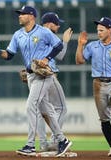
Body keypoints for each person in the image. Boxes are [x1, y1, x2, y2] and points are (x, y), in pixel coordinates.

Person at [0, 6, 72, 157]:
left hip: (44, 75)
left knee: (31, 106)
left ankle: (30, 145)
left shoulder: (43, 31)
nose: (19, 16)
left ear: (31, 16)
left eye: (22, 14)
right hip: (31, 76)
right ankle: (62, 140)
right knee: (47, 110)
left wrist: (46, 59)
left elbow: (58, 46)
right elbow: (9, 55)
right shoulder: (18, 35)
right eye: (19, 14)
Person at [16, 12, 73, 156]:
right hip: (47, 75)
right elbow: (60, 55)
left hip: (36, 74)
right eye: (56, 23)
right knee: (61, 108)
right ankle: (56, 140)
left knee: (40, 109)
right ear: (48, 23)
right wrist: (65, 41)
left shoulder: (34, 33)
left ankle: (44, 143)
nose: (59, 26)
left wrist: (29, 69)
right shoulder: (46, 32)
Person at [75, 17, 111, 157]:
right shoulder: (92, 46)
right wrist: (80, 45)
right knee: (104, 118)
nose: (98, 32)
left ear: (110, 30)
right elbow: (79, 61)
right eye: (98, 30)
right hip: (98, 84)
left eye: (101, 30)